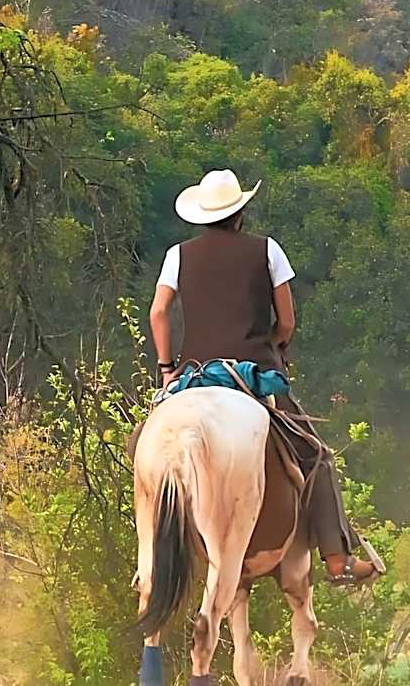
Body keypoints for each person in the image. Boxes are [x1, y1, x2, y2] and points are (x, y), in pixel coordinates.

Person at [149, 169, 381, 587]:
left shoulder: (177, 255)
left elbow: (158, 312)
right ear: (240, 213)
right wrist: (272, 344)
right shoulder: (267, 250)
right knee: (315, 454)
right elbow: (287, 321)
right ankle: (337, 559)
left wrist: (167, 369)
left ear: (202, 216)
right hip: (252, 374)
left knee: (144, 449)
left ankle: (145, 558)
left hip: (195, 375)